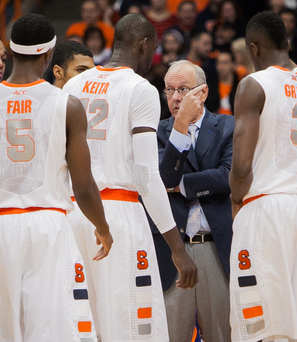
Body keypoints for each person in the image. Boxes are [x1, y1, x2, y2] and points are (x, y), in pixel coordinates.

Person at [63, 13, 198, 342]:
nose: (153, 56)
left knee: (82, 324)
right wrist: (176, 249)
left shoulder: (73, 84)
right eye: (152, 48)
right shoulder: (141, 89)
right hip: (118, 214)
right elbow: (146, 175)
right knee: (132, 327)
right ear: (143, 45)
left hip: (71, 214)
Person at [0, 13, 113, 342]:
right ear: (50, 55)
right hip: (48, 225)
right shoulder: (68, 105)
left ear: (10, 49)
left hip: (2, 223)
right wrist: (102, 228)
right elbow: (84, 185)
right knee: (50, 331)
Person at [229, 11, 297, 342]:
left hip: (268, 206)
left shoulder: (255, 84)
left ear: (253, 48)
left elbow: (241, 166)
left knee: (260, 319)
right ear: (287, 41)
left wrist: (237, 200)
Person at [147, 59, 234, 341]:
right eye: (169, 90)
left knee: (223, 334)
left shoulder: (228, 126)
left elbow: (229, 177)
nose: (175, 98)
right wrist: (181, 123)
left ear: (203, 92)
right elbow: (163, 181)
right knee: (171, 335)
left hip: (217, 248)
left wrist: (184, 185)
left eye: (183, 90)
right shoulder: (156, 132)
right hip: (172, 249)